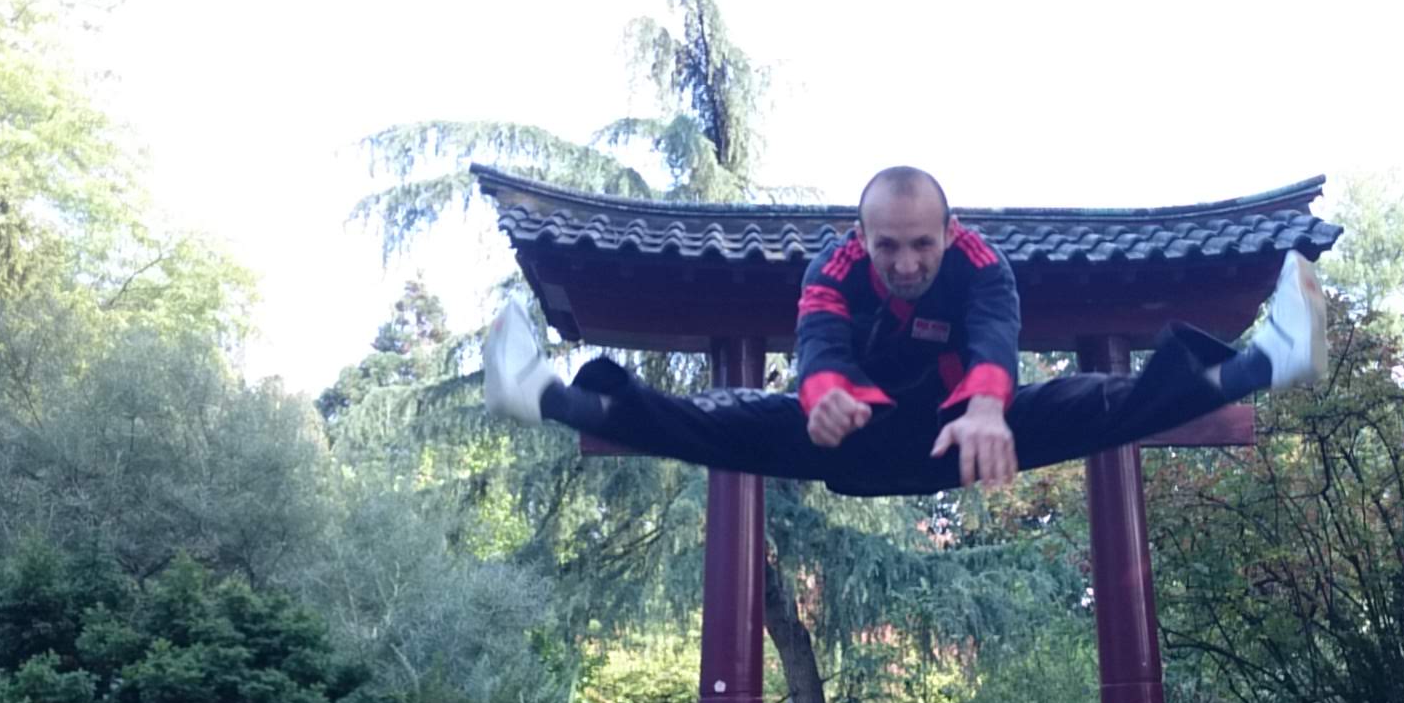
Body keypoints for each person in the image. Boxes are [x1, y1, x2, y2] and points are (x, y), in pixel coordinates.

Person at [482, 166, 1326, 497]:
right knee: (717, 418)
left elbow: (996, 333)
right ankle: (542, 395)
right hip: (851, 441)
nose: (906, 261)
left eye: (922, 244)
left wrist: (990, 408)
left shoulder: (984, 265)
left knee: (1095, 401)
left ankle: (1268, 361)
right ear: (862, 237)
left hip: (960, 440)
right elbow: (819, 344)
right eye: (888, 245)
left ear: (949, 232)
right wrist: (822, 397)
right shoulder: (832, 267)